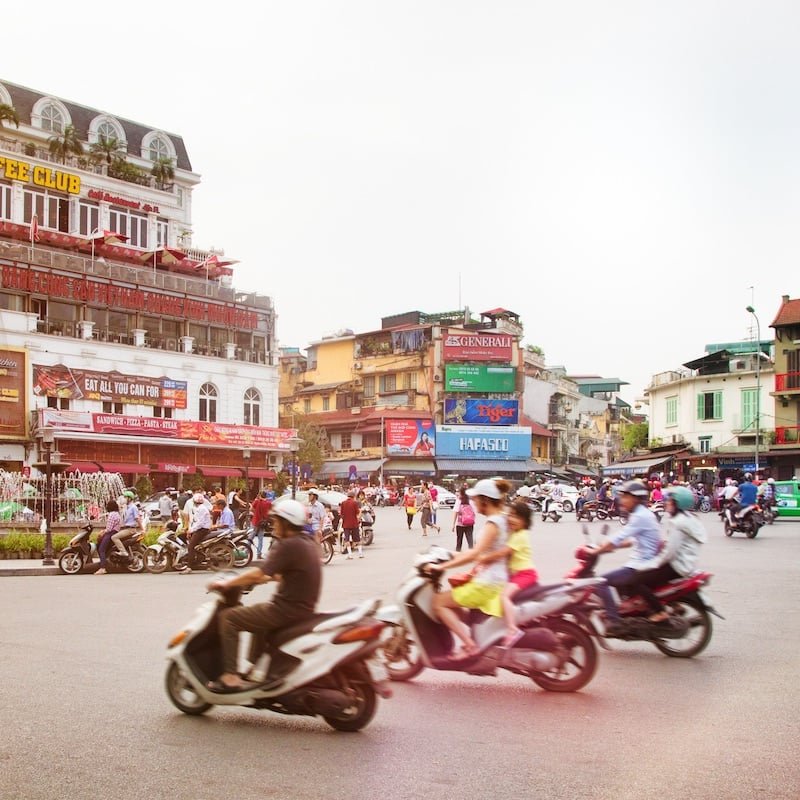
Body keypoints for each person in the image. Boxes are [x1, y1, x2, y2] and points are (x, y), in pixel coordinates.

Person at [206, 500, 322, 692]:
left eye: (277, 521)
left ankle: (231, 677)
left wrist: (227, 583)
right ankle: (257, 669)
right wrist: (255, 580)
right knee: (257, 616)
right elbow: (277, 574)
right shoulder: (305, 543)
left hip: (287, 610)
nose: (273, 524)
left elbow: (260, 573)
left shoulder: (289, 545)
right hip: (301, 609)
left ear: (286, 523)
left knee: (229, 618)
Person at [429, 478, 512, 659]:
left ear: (486, 500)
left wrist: (441, 566)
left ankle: (470, 646)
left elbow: (475, 554)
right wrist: (448, 553)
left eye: (475, 500)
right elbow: (480, 553)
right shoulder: (503, 519)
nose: (473, 503)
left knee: (437, 603)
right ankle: (479, 638)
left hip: (488, 583)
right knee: (454, 604)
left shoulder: (493, 524)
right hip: (495, 579)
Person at [591, 480, 663, 636]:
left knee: (600, 582)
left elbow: (619, 536)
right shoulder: (644, 514)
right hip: (644, 561)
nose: (622, 500)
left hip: (640, 565)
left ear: (636, 498)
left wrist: (597, 551)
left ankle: (614, 621)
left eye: (626, 497)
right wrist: (609, 548)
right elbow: (631, 540)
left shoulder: (639, 517)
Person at [627, 486, 707, 622]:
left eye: (670, 500)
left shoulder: (678, 523)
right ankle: (674, 604)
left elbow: (668, 554)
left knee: (636, 580)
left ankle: (660, 611)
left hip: (676, 565)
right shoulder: (689, 518)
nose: (667, 503)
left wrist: (650, 565)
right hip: (686, 564)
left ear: (678, 504)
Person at [477, 500, 539, 645]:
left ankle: (512, 629)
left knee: (504, 596)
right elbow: (503, 515)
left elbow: (503, 553)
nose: (511, 519)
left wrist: (483, 558)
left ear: (525, 521)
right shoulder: (516, 532)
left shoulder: (520, 536)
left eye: (517, 517)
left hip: (525, 574)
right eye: (511, 515)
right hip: (517, 574)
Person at [180, 493, 212, 573]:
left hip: (202, 530)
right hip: (200, 529)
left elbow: (199, 523)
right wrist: (190, 530)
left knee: (191, 547)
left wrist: (191, 530)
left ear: (194, 502)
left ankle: (189, 567)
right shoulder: (201, 508)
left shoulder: (201, 509)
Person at [95, 500, 121, 575]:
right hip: (115, 532)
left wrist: (102, 532)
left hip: (110, 533)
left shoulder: (112, 515)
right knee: (100, 547)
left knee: (101, 549)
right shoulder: (117, 513)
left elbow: (109, 529)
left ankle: (103, 568)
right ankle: (103, 562)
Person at [111, 490, 139, 557]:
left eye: (125, 497)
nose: (124, 499)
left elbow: (137, 518)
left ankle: (123, 552)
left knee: (114, 537)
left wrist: (142, 528)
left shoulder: (133, 507)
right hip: (127, 528)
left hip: (130, 529)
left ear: (129, 498)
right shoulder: (128, 507)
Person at [249, 490, 272, 558]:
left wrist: (256, 512)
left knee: (250, 537)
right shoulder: (268, 503)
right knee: (260, 539)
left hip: (255, 521)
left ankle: (246, 551)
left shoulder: (257, 501)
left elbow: (251, 509)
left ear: (260, 495)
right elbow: (270, 512)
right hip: (262, 523)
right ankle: (259, 554)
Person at [452, 487, 476, 551]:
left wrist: (453, 524)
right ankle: (472, 554)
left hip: (460, 524)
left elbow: (455, 512)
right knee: (470, 540)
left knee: (459, 541)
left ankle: (458, 553)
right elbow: (474, 512)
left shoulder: (458, 501)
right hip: (470, 524)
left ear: (461, 493)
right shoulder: (471, 501)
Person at [339, 490, 362, 559]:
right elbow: (357, 513)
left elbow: (341, 514)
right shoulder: (355, 503)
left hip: (346, 524)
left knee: (347, 539)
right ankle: (360, 553)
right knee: (357, 539)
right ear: (353, 496)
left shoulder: (343, 503)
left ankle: (350, 554)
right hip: (354, 523)